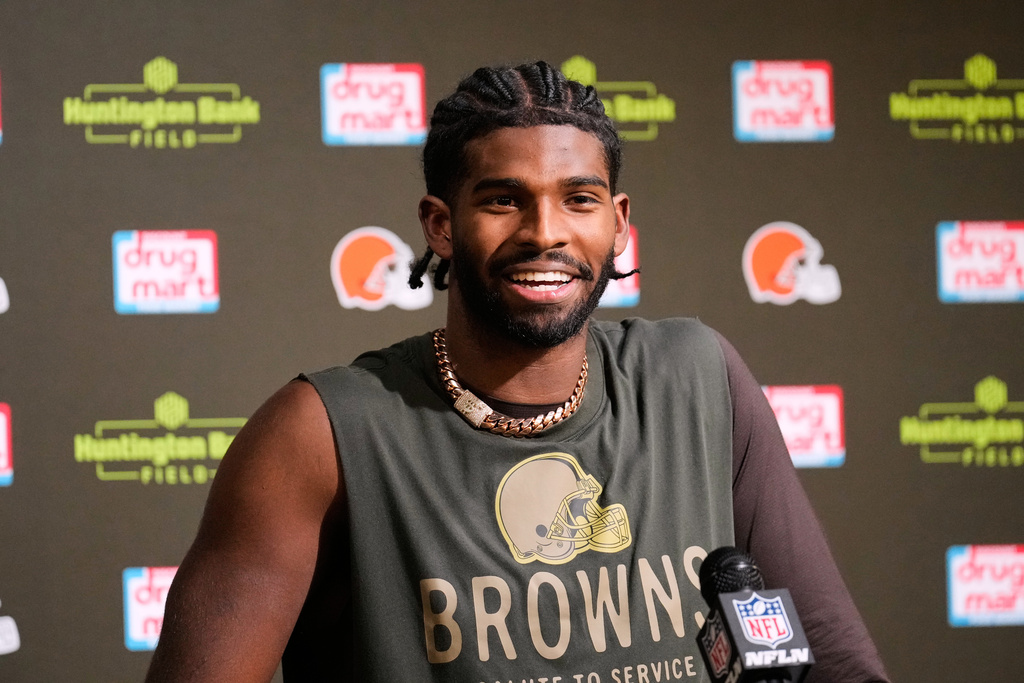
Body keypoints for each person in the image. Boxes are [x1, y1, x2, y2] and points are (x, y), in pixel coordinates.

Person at [146, 61, 889, 682]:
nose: (545, 232)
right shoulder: (321, 432)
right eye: (504, 200)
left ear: (619, 221)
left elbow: (837, 661)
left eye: (580, 199)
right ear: (441, 223)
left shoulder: (698, 377)